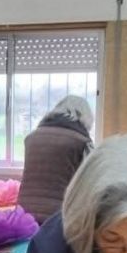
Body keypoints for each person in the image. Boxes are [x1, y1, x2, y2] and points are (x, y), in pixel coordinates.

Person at [17, 94, 94, 225]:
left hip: (23, 213)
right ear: (85, 116)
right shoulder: (81, 142)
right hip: (59, 216)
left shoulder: (32, 137)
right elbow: (89, 184)